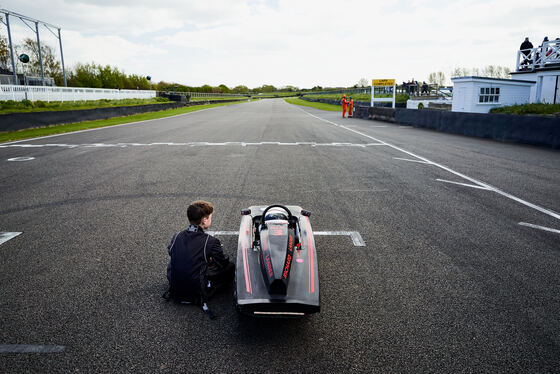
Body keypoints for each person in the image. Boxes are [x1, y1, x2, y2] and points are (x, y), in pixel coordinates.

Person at [165, 200, 234, 319]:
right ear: (204, 220)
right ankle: (211, 287)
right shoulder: (211, 241)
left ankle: (179, 284)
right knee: (230, 267)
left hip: (175, 292)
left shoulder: (177, 235)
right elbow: (222, 263)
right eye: (211, 217)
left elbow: (171, 251)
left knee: (174, 262)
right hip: (197, 293)